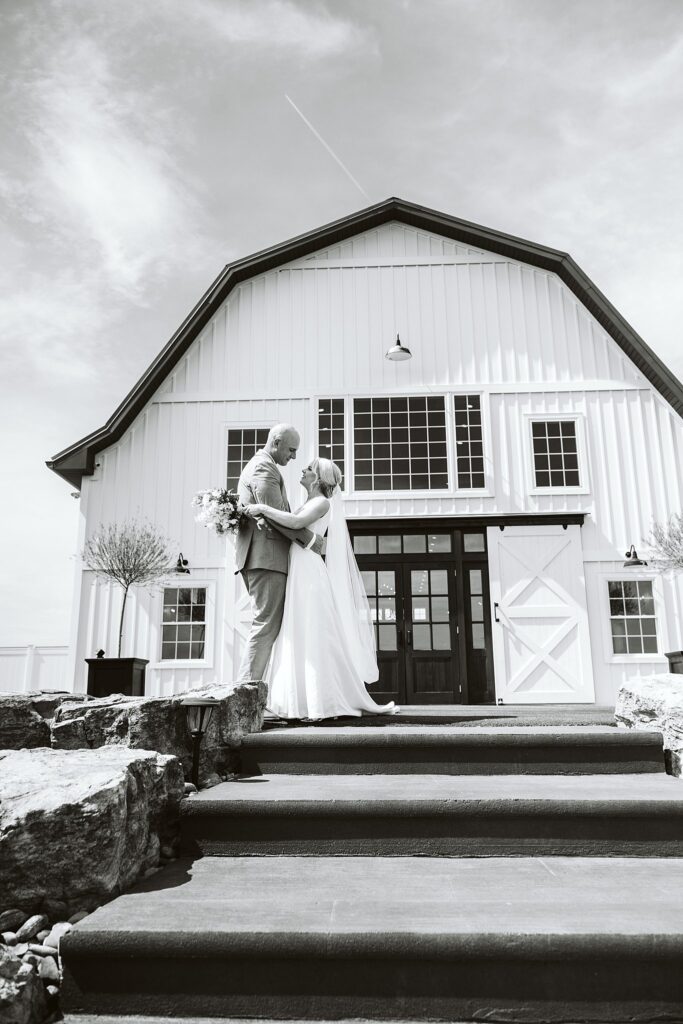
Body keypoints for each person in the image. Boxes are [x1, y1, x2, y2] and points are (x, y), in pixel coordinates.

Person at [249, 457, 396, 720]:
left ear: (317, 477)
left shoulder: (321, 503)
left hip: (309, 574)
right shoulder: (308, 502)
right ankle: (296, 702)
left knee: (313, 630)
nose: (302, 471)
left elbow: (294, 524)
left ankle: (321, 702)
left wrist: (262, 508)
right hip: (299, 569)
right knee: (298, 629)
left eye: (307, 469)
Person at [235, 424, 323, 684]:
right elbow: (275, 515)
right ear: (276, 442)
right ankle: (244, 691)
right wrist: (313, 541)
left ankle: (250, 690)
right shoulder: (264, 467)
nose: (294, 457)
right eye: (291, 450)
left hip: (264, 556)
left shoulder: (264, 465)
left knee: (267, 624)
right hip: (266, 556)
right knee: (265, 625)